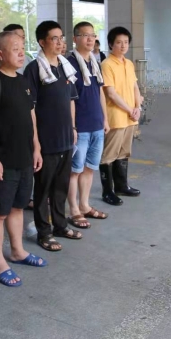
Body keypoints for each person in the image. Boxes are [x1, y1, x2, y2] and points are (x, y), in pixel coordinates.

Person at [0, 31, 45, 286]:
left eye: (21, 48)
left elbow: (31, 116)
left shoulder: (23, 80)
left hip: (25, 158)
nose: (20, 52)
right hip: (2, 160)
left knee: (17, 207)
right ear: (0, 53)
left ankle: (17, 251)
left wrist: (36, 147)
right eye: (14, 48)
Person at [24, 22, 82, 251]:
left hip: (66, 138)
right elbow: (30, 108)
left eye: (61, 37)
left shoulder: (65, 66)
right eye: (54, 38)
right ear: (42, 42)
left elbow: (71, 100)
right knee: (43, 190)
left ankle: (60, 226)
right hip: (46, 141)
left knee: (61, 187)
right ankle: (44, 232)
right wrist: (36, 143)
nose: (60, 42)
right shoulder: (34, 69)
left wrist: (73, 128)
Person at [66, 21, 110, 228]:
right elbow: (68, 99)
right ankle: (73, 209)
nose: (90, 39)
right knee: (75, 170)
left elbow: (100, 92)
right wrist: (72, 126)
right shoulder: (69, 63)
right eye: (85, 35)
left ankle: (84, 205)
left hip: (96, 125)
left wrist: (105, 119)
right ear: (75, 38)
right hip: (80, 127)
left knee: (90, 168)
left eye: (92, 35)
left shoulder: (95, 62)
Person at [100, 26, 143, 206]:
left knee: (124, 152)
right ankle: (107, 191)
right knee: (109, 155)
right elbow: (110, 93)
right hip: (116, 116)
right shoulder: (107, 64)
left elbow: (134, 87)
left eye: (126, 42)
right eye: (119, 42)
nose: (123, 45)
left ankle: (121, 186)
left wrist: (138, 107)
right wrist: (129, 109)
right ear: (111, 44)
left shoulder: (129, 63)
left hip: (130, 117)